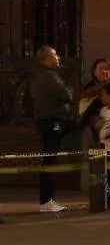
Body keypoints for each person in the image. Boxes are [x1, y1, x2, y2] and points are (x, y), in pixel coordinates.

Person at [30, 46, 72, 213]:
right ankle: (46, 200)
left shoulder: (47, 74)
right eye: (54, 55)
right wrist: (68, 90)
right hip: (51, 122)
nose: (58, 57)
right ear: (46, 59)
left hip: (53, 121)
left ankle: (47, 200)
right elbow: (66, 94)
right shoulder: (47, 76)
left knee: (51, 158)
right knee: (49, 159)